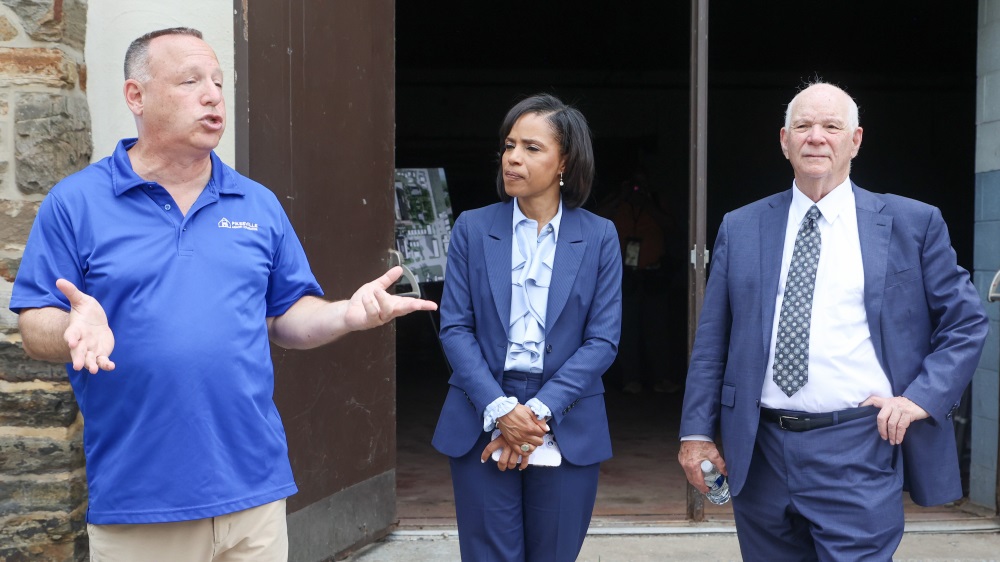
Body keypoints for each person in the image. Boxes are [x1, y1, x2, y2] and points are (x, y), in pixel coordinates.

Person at [9, 27, 437, 561]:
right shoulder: (76, 202)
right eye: (191, 81)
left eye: (217, 81)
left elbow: (286, 316)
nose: (212, 95)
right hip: (142, 501)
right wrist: (72, 328)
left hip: (255, 494)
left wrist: (346, 315)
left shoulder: (256, 204)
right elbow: (34, 325)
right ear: (136, 96)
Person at [677, 82, 988, 560]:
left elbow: (965, 322)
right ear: (784, 141)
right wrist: (696, 433)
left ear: (855, 140)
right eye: (802, 126)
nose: (816, 137)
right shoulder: (741, 226)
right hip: (760, 452)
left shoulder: (912, 223)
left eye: (831, 126)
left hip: (858, 447)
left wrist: (919, 399)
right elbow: (712, 340)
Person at [431, 93, 622, 561]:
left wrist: (534, 415)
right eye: (509, 145)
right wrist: (500, 409)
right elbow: (455, 328)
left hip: (566, 413)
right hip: (481, 408)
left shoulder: (599, 235)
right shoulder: (473, 228)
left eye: (532, 148)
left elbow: (602, 341)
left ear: (565, 162)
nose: (513, 158)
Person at [598, 172, 683, 394]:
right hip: (624, 275)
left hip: (654, 274)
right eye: (633, 184)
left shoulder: (655, 201)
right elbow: (596, 218)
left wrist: (647, 201)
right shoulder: (618, 203)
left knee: (657, 329)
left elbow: (671, 226)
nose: (636, 189)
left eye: (641, 184)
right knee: (626, 329)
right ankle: (630, 379)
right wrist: (621, 196)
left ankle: (662, 378)